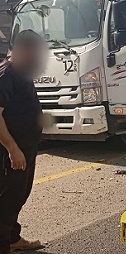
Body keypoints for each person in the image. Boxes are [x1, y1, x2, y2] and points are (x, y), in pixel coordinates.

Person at [0, 30, 48, 254]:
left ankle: (12, 239)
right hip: (13, 150)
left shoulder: (21, 71)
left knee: (18, 195)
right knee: (8, 199)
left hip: (25, 146)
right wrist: (13, 149)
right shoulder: (8, 73)